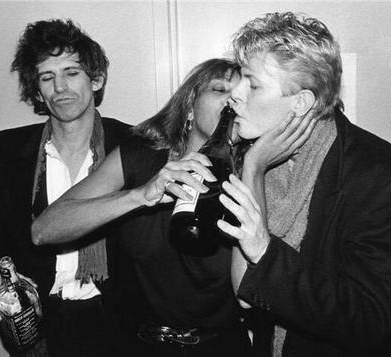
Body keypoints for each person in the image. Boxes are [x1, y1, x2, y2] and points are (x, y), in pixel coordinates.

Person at [216, 11, 391, 357]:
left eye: (253, 83)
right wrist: (252, 168)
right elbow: (243, 294)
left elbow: (366, 322)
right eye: (238, 78)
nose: (233, 94)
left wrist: (265, 250)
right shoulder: (255, 155)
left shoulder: (380, 176)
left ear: (301, 103)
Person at [32, 58, 258, 356]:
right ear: (189, 106)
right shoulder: (141, 157)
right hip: (139, 345)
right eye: (219, 89)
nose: (233, 99)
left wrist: (256, 163)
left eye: (243, 93)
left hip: (222, 347)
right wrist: (140, 195)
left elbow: (251, 295)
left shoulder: (253, 179)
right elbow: (43, 230)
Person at [0, 19, 131, 357]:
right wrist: (0, 272)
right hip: (39, 326)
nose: (60, 87)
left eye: (72, 73)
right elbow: (0, 227)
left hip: (120, 324)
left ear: (97, 79)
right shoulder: (9, 149)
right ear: (37, 91)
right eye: (48, 78)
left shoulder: (133, 145)